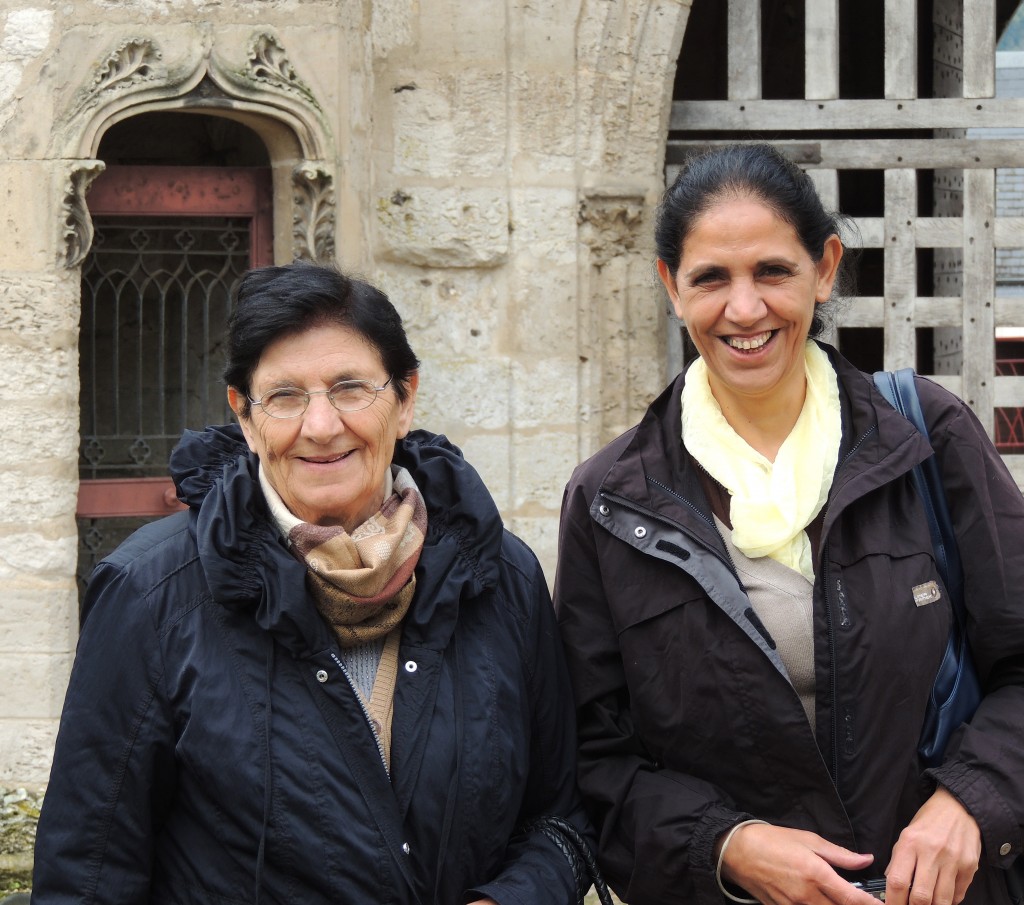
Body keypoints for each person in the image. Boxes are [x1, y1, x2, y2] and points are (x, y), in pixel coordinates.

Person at [553, 143, 1024, 905]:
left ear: (825, 267)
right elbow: (593, 759)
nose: (745, 309)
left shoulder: (924, 438)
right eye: (712, 278)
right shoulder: (612, 502)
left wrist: (970, 798)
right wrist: (727, 844)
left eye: (773, 270)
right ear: (672, 286)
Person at [33, 262, 590, 905]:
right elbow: (87, 874)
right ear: (244, 415)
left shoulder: (499, 575)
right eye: (286, 396)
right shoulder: (154, 595)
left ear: (405, 398)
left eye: (351, 387)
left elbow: (561, 820)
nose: (321, 427)